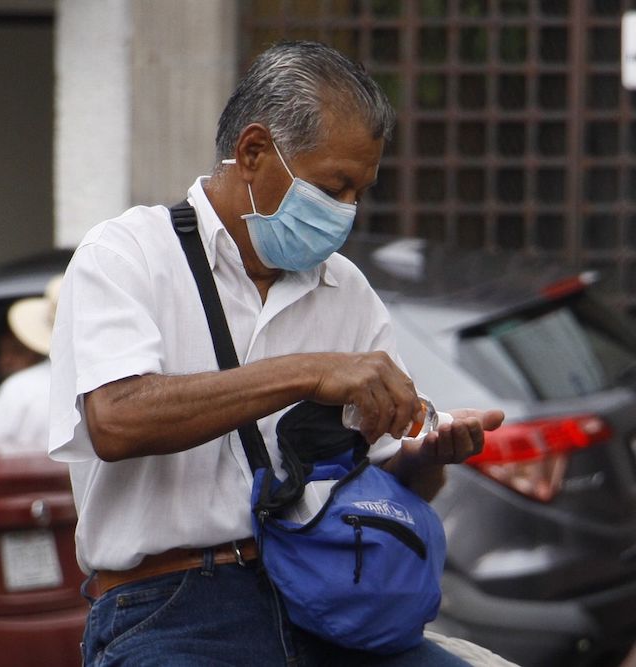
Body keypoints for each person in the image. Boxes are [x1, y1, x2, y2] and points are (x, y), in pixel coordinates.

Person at [48, 40, 505, 666]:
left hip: (321, 595)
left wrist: (427, 459)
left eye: (360, 191)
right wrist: (309, 373)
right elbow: (117, 419)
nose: (347, 211)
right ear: (254, 151)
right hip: (170, 608)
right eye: (333, 186)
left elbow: (379, 480)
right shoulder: (126, 255)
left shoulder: (347, 291)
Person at [0, 274, 61, 453]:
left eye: (16, 352)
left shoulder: (18, 389)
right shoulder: (103, 382)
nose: (5, 361)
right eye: (1, 352)